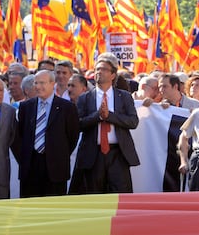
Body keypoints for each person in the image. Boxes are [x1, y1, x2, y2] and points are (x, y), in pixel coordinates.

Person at [70, 52, 139, 194]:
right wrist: (98, 117)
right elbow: (78, 124)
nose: (99, 72)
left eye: (104, 69)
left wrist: (110, 116)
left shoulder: (124, 96)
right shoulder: (85, 98)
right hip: (93, 155)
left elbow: (133, 122)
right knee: (94, 195)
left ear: (113, 75)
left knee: (121, 194)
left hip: (118, 154)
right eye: (97, 69)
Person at [16, 70, 79, 198]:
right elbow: (20, 135)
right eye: (36, 83)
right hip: (30, 167)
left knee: (54, 208)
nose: (38, 86)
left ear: (52, 84)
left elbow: (72, 137)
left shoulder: (67, 108)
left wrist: (57, 153)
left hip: (56, 168)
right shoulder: (26, 107)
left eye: (42, 83)